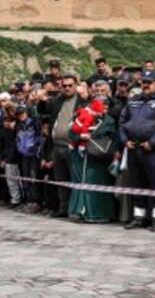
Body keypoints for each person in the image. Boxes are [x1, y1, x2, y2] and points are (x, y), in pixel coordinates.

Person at [119, 73, 155, 231]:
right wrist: (124, 141)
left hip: (153, 150)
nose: (146, 85)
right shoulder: (133, 101)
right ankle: (139, 217)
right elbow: (121, 123)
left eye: (149, 82)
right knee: (137, 184)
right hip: (134, 148)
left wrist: (152, 142)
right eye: (143, 82)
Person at [68, 96, 118, 223]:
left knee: (98, 183)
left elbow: (113, 138)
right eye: (101, 106)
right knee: (82, 182)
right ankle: (80, 211)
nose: (104, 110)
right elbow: (72, 133)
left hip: (100, 159)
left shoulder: (110, 121)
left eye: (106, 107)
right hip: (81, 157)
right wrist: (80, 136)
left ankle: (99, 214)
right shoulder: (80, 116)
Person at [44, 74, 80, 217]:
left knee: (74, 179)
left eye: (70, 85)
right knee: (60, 179)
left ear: (76, 85)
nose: (67, 88)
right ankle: (63, 207)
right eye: (64, 86)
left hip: (72, 146)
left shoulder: (82, 102)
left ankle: (74, 209)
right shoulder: (57, 101)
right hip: (57, 146)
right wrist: (40, 101)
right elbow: (43, 109)